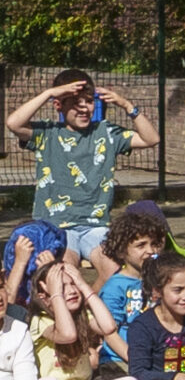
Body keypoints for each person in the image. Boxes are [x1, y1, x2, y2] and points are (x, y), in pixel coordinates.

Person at [6, 68, 160, 274]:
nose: (84, 109)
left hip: (95, 226)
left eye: (88, 102)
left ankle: (93, 302)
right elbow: (13, 123)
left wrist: (127, 105)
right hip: (57, 225)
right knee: (66, 270)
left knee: (113, 269)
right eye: (75, 103)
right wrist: (49, 93)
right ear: (58, 105)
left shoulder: (106, 132)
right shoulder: (46, 133)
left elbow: (152, 139)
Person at [27, 259, 150, 380]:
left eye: (72, 284)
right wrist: (55, 295)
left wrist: (83, 285)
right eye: (61, 287)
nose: (70, 290)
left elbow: (109, 327)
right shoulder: (39, 320)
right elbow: (68, 335)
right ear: (44, 298)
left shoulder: (84, 315)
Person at [95, 205, 172, 361]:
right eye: (141, 245)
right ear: (122, 251)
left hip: (156, 356)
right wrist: (136, 360)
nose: (150, 251)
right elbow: (110, 333)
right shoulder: (115, 287)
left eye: (154, 244)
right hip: (120, 359)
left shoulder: (161, 280)